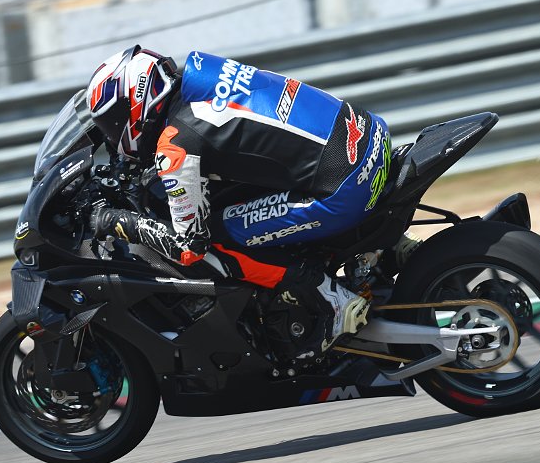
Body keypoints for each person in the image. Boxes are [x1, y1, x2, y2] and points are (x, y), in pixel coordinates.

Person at [85, 45, 413, 359]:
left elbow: (189, 246)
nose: (113, 137)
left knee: (213, 238)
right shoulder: (201, 70)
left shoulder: (177, 146)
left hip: (345, 187)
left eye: (112, 124)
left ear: (134, 105)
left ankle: (329, 298)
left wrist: (116, 220)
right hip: (366, 137)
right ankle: (391, 245)